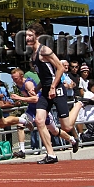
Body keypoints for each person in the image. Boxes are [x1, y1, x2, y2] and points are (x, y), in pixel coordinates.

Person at [26, 23, 79, 164]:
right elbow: (44, 77)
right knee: (39, 120)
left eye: (30, 35)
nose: (27, 38)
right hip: (45, 91)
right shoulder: (33, 56)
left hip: (57, 89)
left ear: (37, 36)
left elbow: (60, 68)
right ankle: (51, 154)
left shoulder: (45, 50)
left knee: (67, 127)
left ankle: (80, 104)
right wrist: (36, 89)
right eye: (26, 35)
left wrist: (53, 87)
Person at [9, 68, 40, 159]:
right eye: (12, 78)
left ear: (21, 76)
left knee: (53, 130)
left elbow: (35, 99)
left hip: (40, 108)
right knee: (20, 124)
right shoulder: (18, 85)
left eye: (15, 78)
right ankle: (22, 150)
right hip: (31, 109)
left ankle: (72, 140)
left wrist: (20, 98)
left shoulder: (28, 84)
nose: (14, 80)